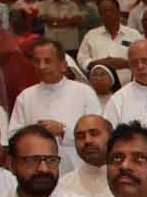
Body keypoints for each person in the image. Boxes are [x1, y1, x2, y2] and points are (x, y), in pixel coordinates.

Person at [7, 38, 102, 173]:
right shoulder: (25, 96)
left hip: (77, 170)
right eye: (37, 61)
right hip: (37, 172)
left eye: (47, 61)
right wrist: (34, 134)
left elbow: (98, 133)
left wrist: (63, 131)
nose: (41, 66)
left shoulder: (84, 92)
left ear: (63, 65)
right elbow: (13, 136)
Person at [54, 114, 117, 197]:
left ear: (111, 137)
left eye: (94, 133)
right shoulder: (63, 186)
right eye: (80, 136)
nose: (87, 140)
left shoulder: (127, 182)